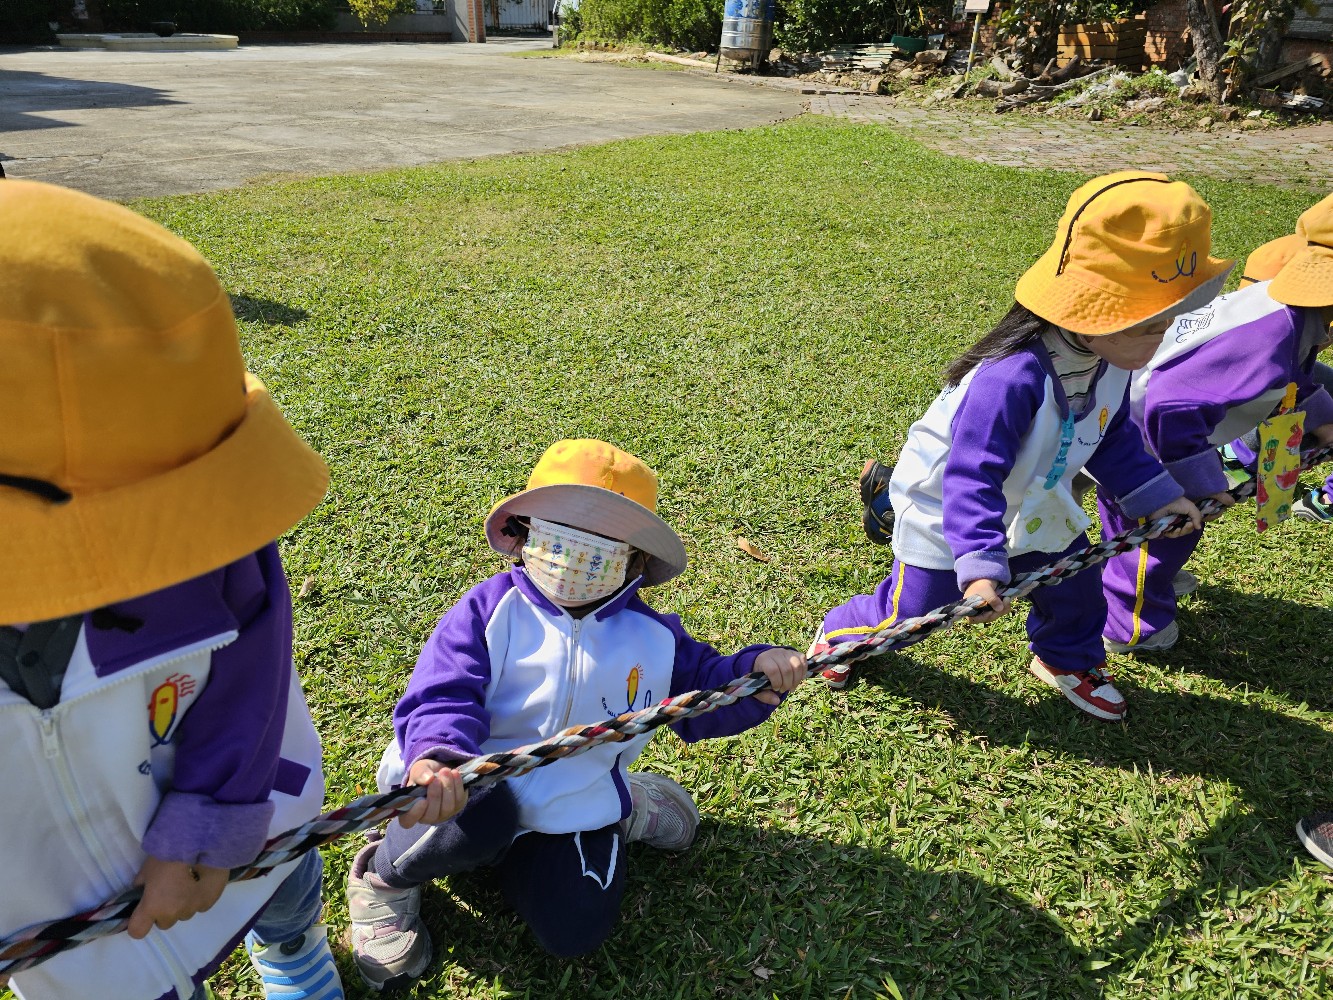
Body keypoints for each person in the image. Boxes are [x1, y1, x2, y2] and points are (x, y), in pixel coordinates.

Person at [0, 180, 341, 1000]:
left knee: (280, 879)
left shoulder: (215, 543)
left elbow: (257, 662)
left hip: (246, 808)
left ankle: (291, 946)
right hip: (61, 908)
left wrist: (216, 812)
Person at [347, 439, 807, 988]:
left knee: (575, 929)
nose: (573, 558)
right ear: (524, 531)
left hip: (569, 804)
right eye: (559, 534)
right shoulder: (488, 611)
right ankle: (382, 881)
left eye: (601, 545)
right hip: (459, 787)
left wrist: (756, 673)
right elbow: (443, 694)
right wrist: (436, 759)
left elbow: (705, 693)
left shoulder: (653, 638)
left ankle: (621, 804)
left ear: (636, 559)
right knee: (482, 812)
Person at [818, 172, 1217, 721]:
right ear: (1091, 316)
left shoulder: (1111, 359)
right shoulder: (1010, 378)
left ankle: (1067, 658)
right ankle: (842, 634)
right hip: (950, 503)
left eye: (1168, 323)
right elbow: (971, 477)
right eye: (1150, 327)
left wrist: (1157, 496)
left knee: (1076, 584)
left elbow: (1110, 433)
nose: (1162, 339)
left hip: (1037, 492)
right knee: (918, 607)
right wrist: (981, 565)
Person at [1100, 193, 1333, 654]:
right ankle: (1130, 625)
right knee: (1164, 530)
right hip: (1142, 437)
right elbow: (1170, 404)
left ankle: (1141, 577)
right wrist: (1198, 484)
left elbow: (1294, 375)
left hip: (1135, 418)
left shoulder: (1284, 306)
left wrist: (1324, 420)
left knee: (1141, 528)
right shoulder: (1271, 337)